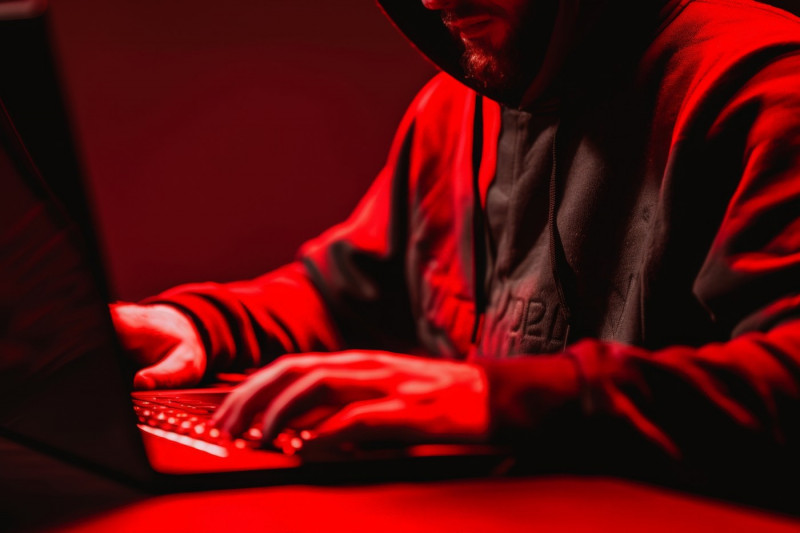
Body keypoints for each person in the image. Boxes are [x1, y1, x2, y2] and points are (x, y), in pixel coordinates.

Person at [113, 0, 800, 497]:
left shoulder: (768, 88)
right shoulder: (453, 106)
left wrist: (499, 400)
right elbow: (345, 292)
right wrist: (200, 326)